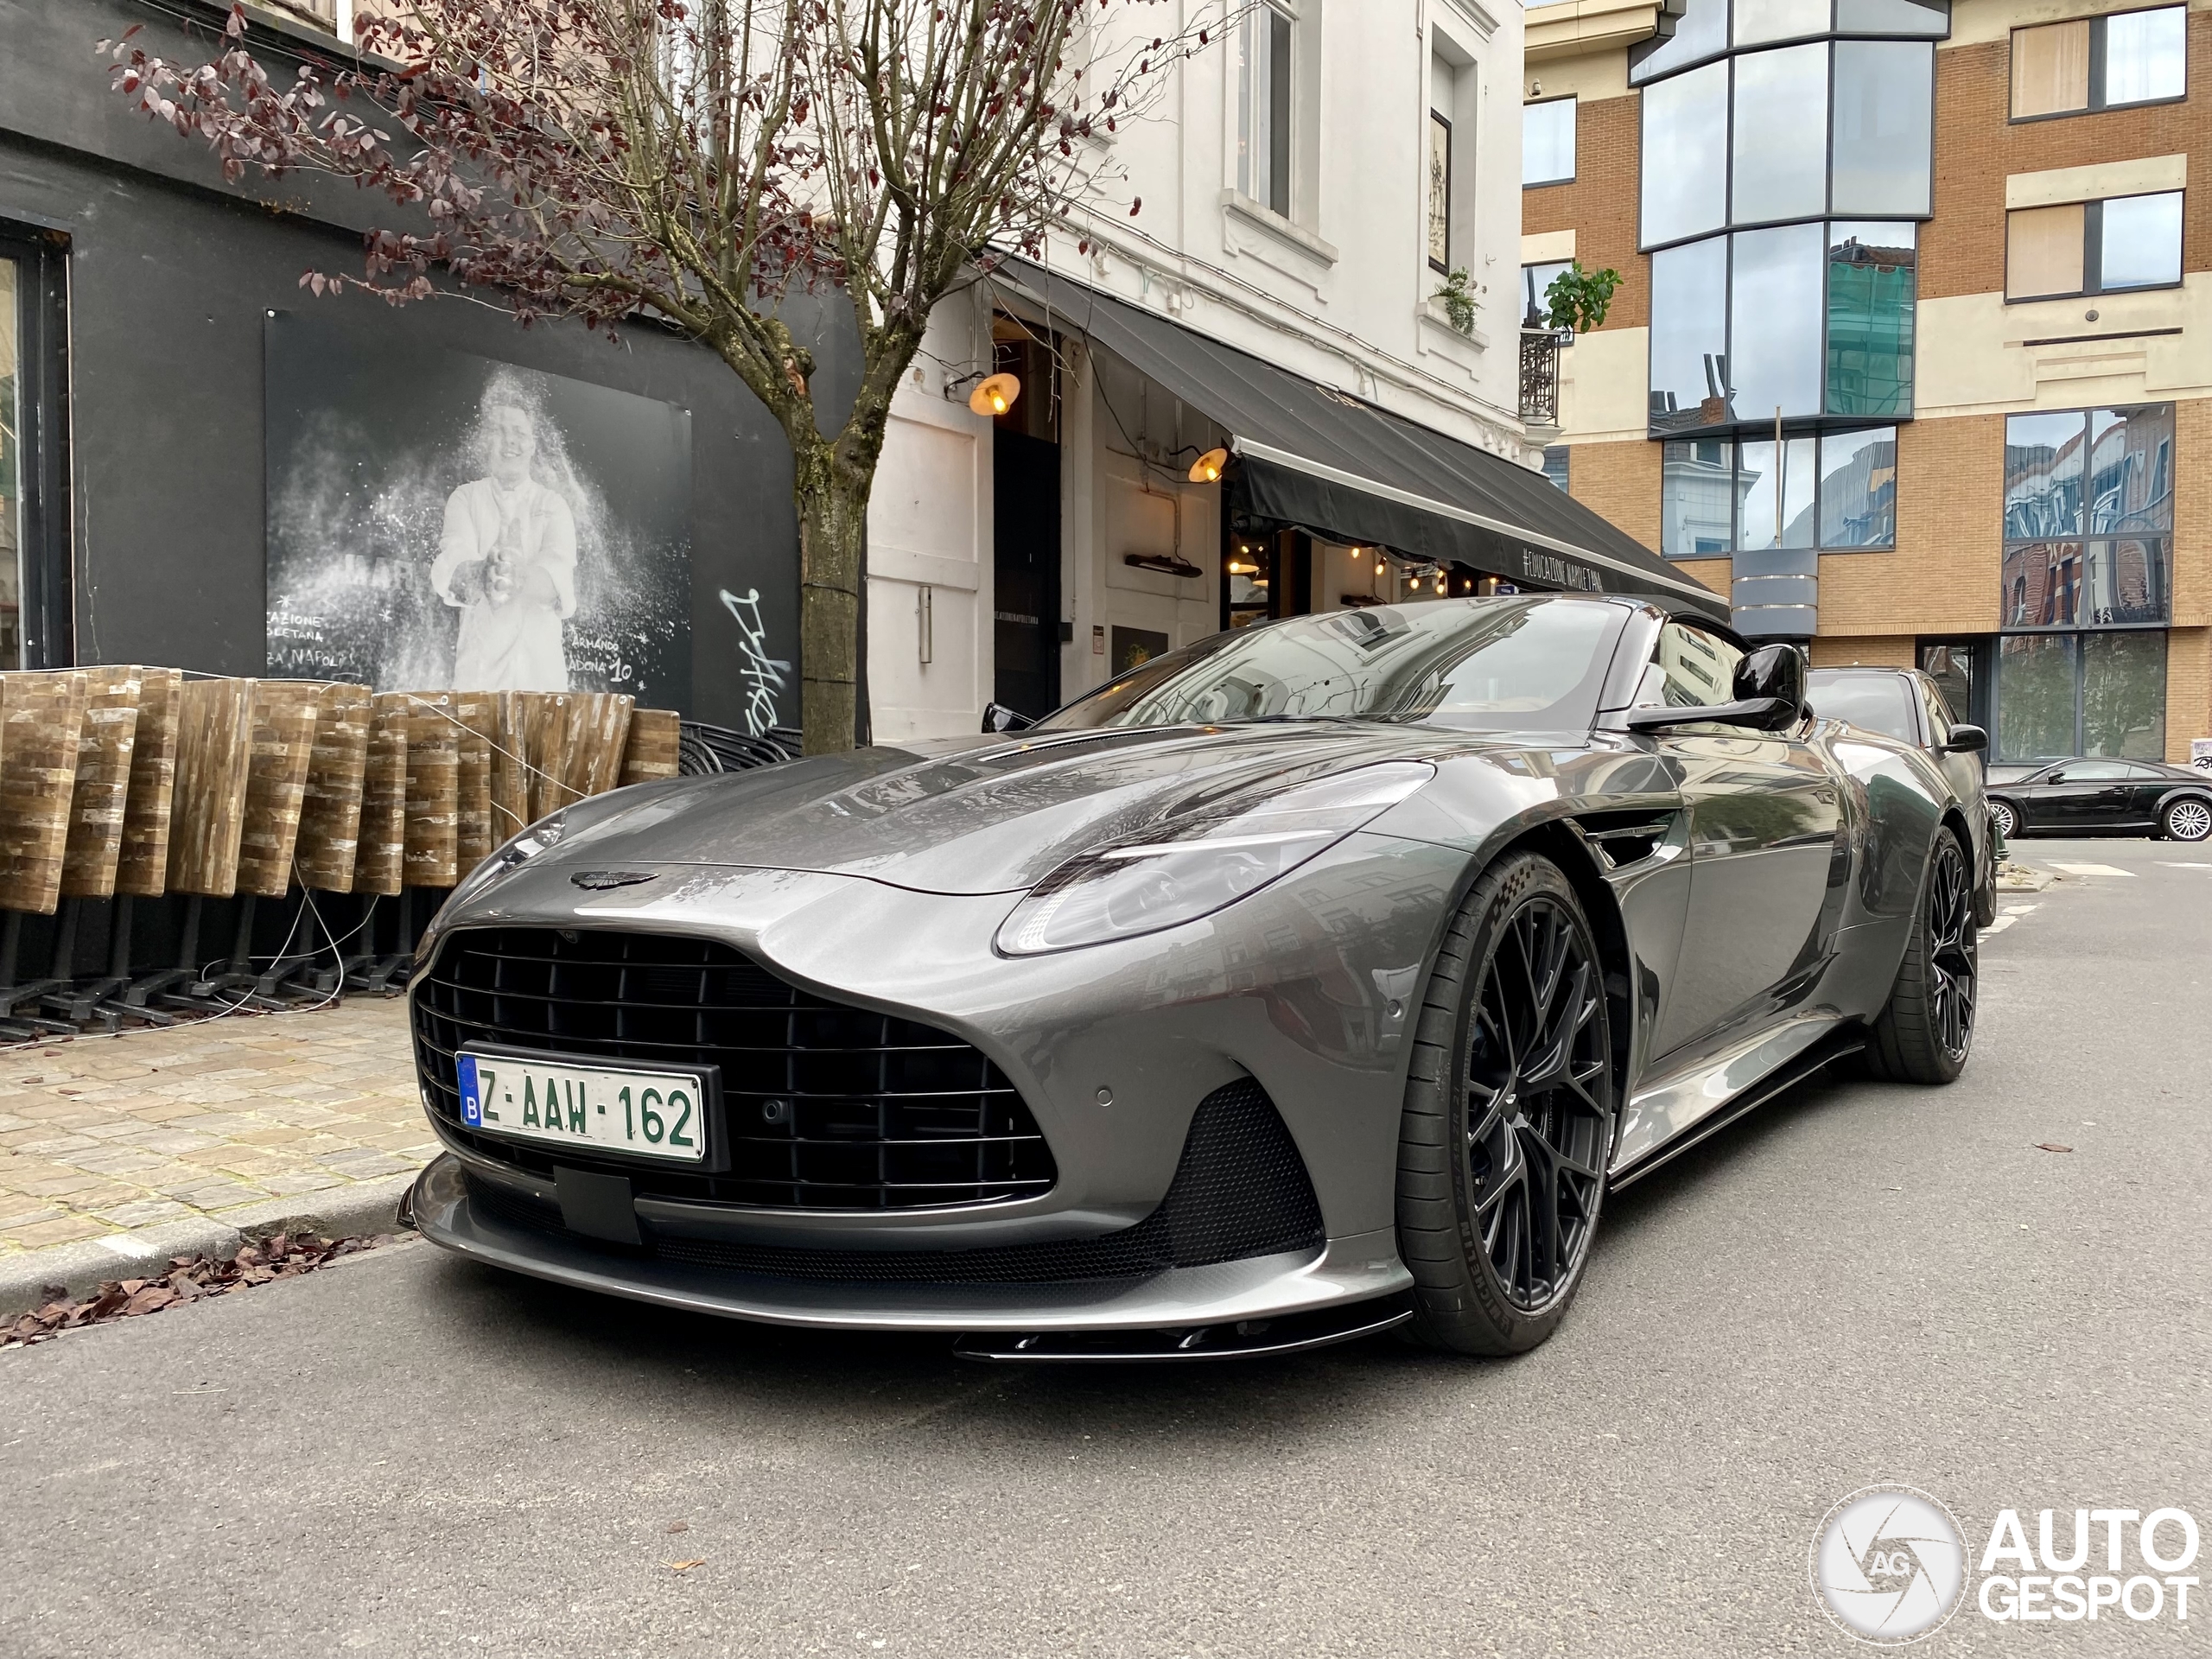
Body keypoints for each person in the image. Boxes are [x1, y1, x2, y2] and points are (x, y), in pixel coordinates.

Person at [429, 391, 577, 689]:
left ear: (533, 444)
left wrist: (519, 575)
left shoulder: (553, 505)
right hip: (477, 682)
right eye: (500, 431)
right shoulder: (465, 498)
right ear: (486, 441)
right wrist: (486, 571)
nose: (510, 441)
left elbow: (557, 583)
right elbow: (451, 570)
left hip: (542, 685)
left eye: (519, 433)